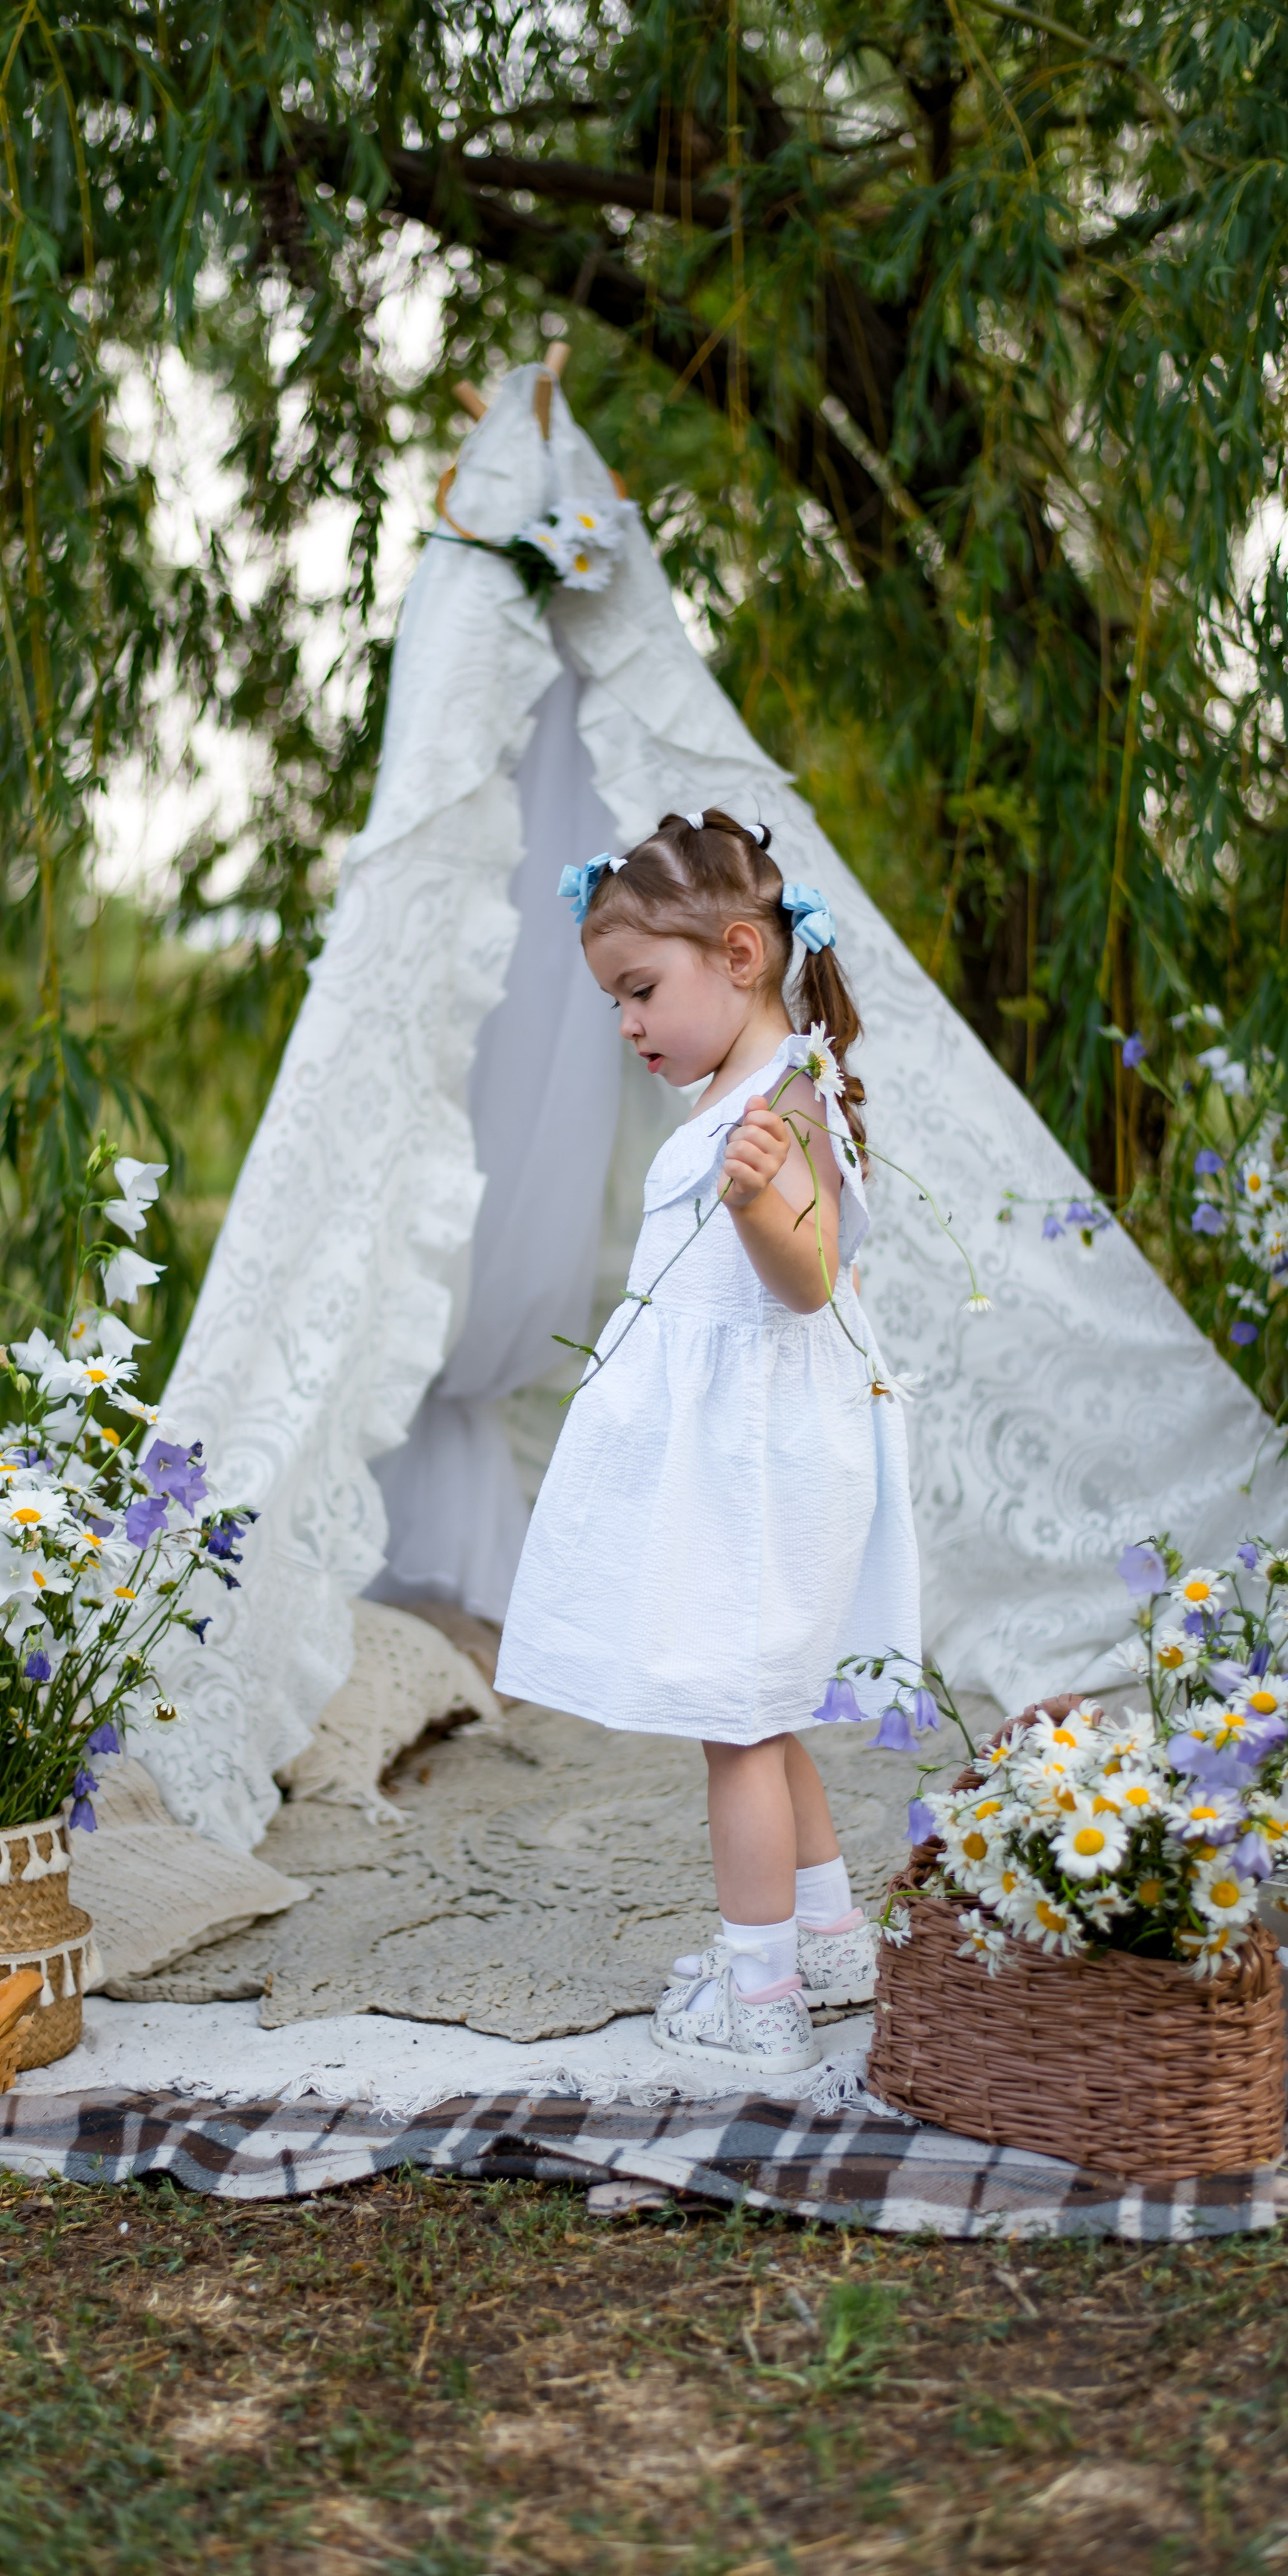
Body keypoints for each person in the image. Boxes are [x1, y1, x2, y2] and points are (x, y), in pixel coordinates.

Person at [494, 808, 921, 2073]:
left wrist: (752, 1206)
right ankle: (830, 1932)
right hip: (741, 1449)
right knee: (760, 1706)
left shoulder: (780, 1104)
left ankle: (760, 1999)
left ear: (740, 956)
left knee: (736, 1722)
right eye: (616, 1001)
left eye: (640, 991)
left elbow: (807, 1279)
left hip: (756, 1460)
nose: (628, 1024)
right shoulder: (760, 1082)